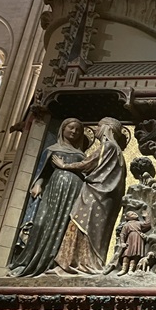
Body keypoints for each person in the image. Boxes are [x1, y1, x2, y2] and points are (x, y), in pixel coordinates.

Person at [9, 118, 87, 277]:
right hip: (56, 189)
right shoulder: (52, 150)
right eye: (71, 128)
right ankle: (40, 259)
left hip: (76, 190)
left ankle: (60, 261)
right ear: (63, 129)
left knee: (68, 225)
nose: (74, 132)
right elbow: (42, 172)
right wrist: (38, 184)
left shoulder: (81, 154)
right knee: (47, 221)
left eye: (78, 130)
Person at [52, 117, 128, 275]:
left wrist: (64, 165)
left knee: (83, 226)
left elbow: (87, 163)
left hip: (95, 195)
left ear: (107, 128)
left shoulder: (109, 146)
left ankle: (78, 264)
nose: (97, 130)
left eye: (99, 127)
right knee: (90, 228)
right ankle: (74, 262)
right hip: (103, 197)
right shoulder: (117, 151)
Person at [118, 211, 151, 276]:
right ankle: (124, 269)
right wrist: (122, 242)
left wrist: (146, 217)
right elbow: (122, 234)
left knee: (135, 255)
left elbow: (147, 225)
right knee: (126, 254)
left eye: (135, 213)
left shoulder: (139, 223)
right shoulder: (127, 225)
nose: (135, 214)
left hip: (138, 239)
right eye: (132, 214)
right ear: (128, 217)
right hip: (130, 240)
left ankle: (131, 270)